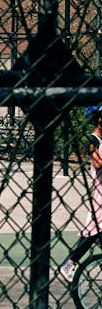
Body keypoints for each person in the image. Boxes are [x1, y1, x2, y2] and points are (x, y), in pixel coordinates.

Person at [60, 106, 102, 282]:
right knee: (94, 229)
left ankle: (70, 263)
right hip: (101, 191)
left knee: (94, 230)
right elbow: (98, 163)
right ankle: (69, 263)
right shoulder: (93, 140)